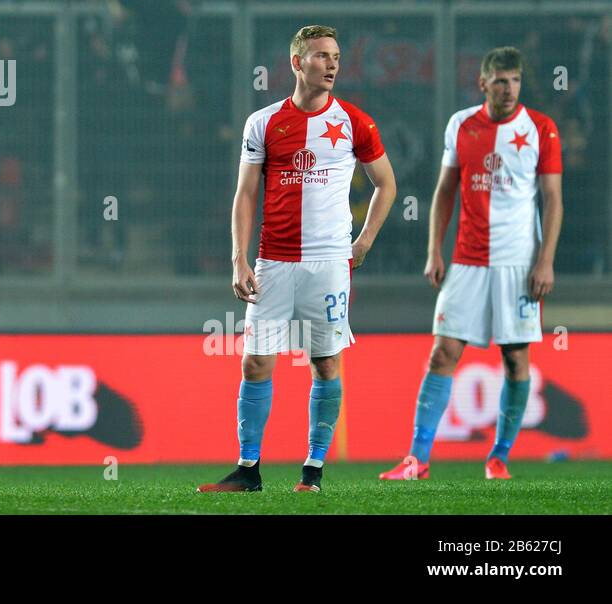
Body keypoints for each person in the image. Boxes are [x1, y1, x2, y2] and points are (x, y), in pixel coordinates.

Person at [199, 25, 397, 494]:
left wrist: (365, 240)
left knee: (325, 363)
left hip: (328, 264)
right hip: (273, 262)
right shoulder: (263, 123)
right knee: (254, 363)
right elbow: (246, 193)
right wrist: (238, 259)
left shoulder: (355, 122)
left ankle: (312, 472)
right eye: (321, 56)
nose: (331, 64)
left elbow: (386, 184)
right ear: (296, 63)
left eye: (336, 56)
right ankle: (248, 470)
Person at [380, 47, 562, 481]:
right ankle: (416, 459)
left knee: (516, 360)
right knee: (443, 352)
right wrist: (433, 250)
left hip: (518, 264)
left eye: (515, 80)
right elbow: (445, 191)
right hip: (466, 261)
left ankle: (498, 457)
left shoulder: (541, 129)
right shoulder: (461, 124)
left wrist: (546, 262)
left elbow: (553, 199)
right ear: (483, 83)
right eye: (500, 80)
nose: (508, 88)